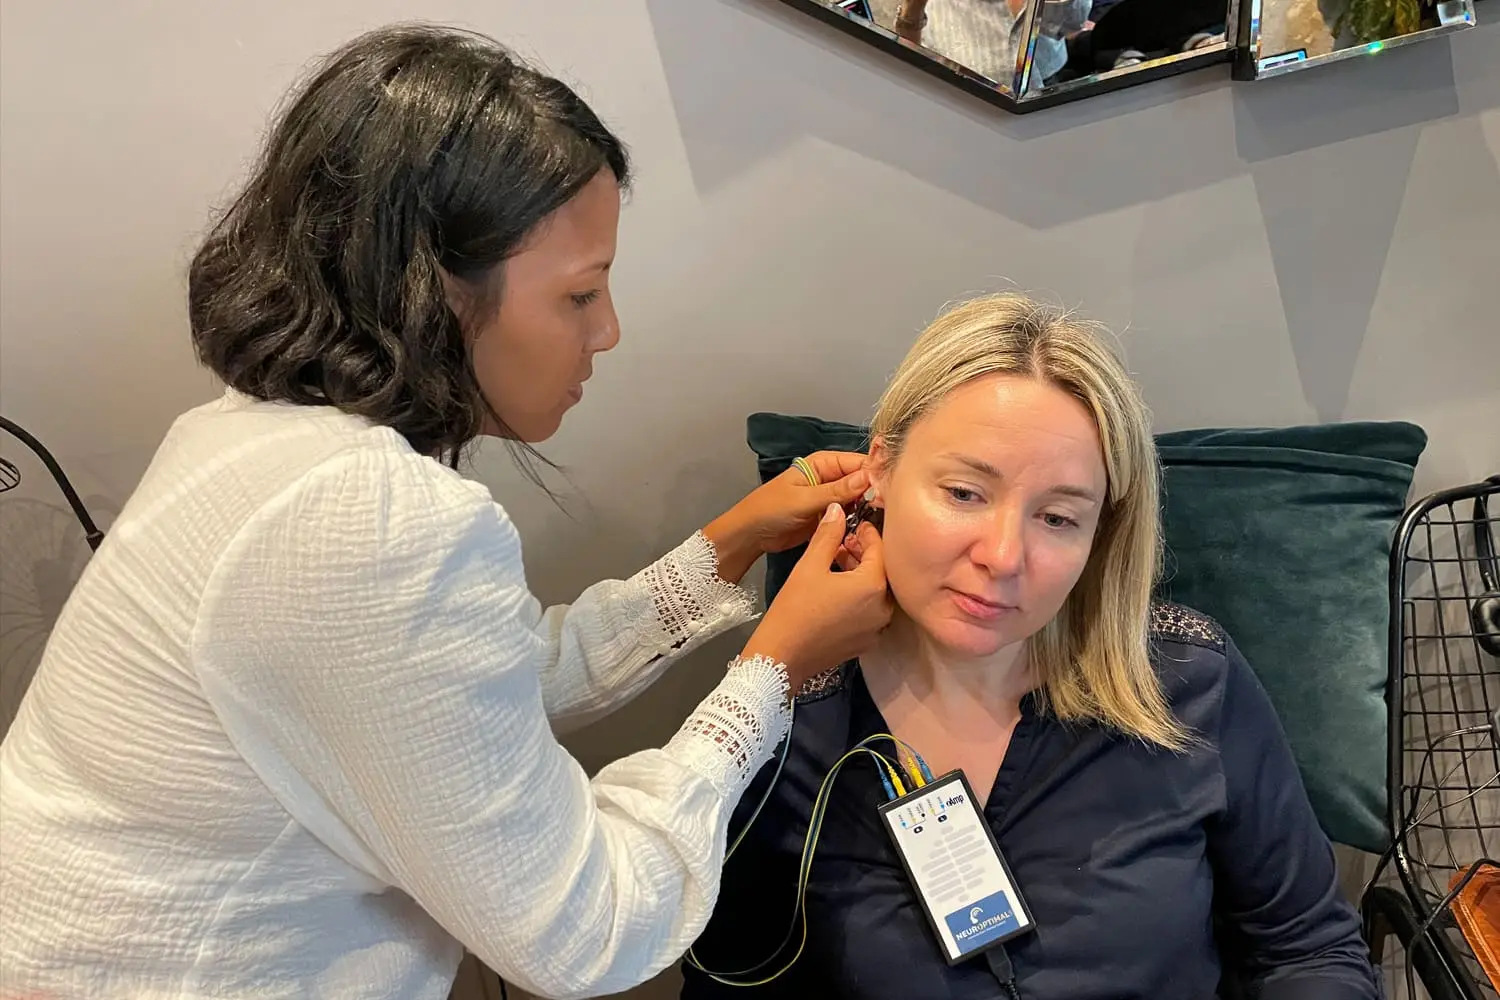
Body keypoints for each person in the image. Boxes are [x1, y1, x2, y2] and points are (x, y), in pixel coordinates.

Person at [0, 24, 892, 1000]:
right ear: (433, 290)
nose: (608, 331)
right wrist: (777, 667)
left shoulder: (252, 436)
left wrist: (731, 542)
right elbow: (586, 929)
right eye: (581, 295)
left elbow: (477, 691)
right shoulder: (367, 521)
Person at [680, 293, 1383, 999]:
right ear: (882, 469)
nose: (1004, 555)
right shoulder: (779, 719)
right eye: (964, 493)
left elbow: (1310, 950)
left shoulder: (1189, 682)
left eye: (1057, 517)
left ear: (1100, 533)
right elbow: (728, 983)